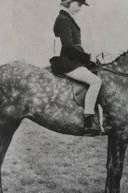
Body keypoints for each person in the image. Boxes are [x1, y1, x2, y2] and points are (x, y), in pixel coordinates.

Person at [52, 0, 110, 133]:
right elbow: (68, 47)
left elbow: (74, 47)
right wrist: (87, 57)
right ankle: (88, 120)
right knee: (96, 81)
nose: (80, 9)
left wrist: (89, 59)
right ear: (69, 2)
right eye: (79, 5)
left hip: (72, 60)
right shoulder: (63, 19)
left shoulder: (67, 18)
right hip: (66, 62)